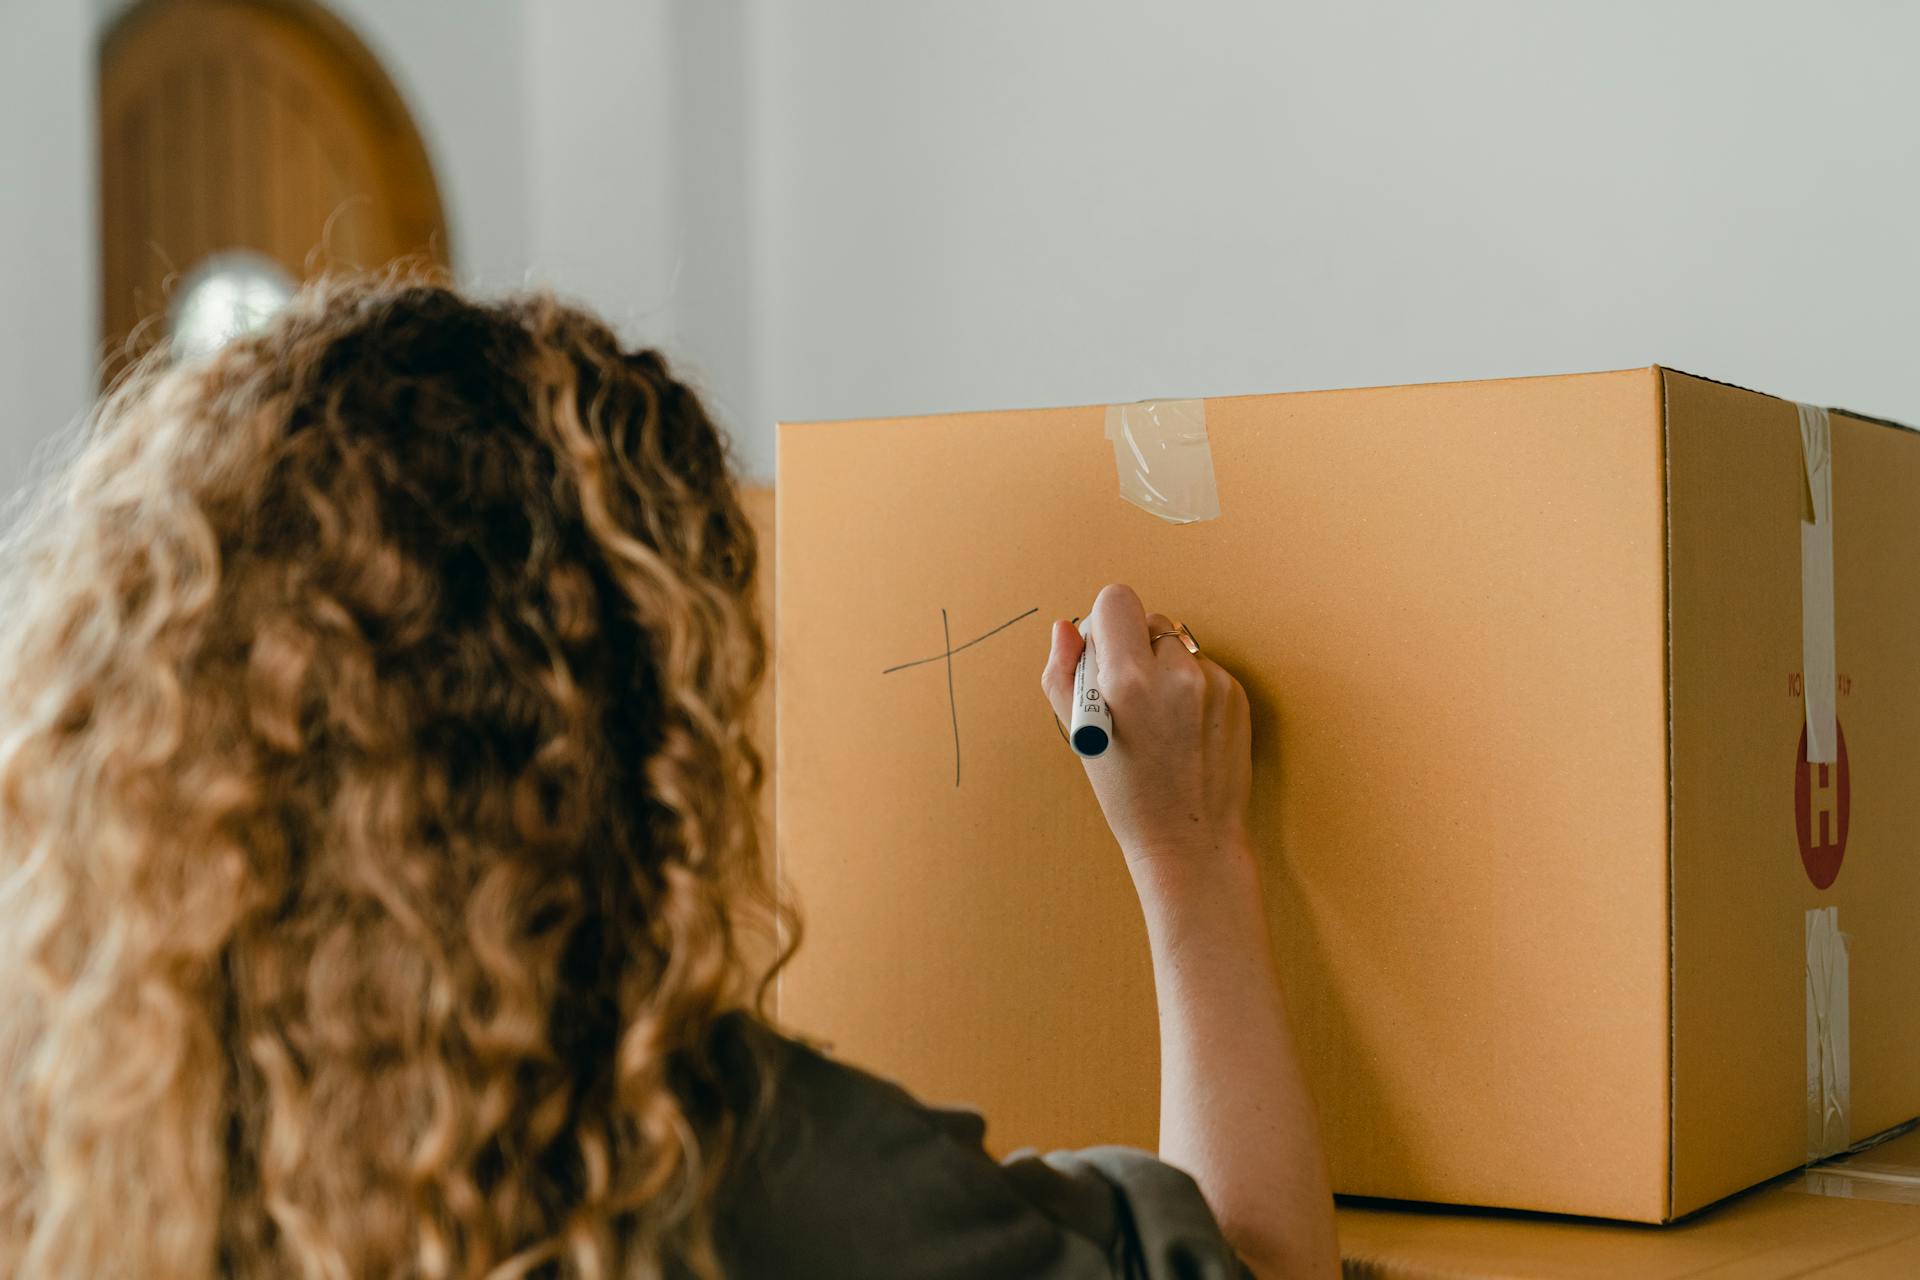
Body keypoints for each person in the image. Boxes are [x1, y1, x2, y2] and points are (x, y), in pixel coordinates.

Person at [0, 272, 1337, 1279]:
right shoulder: (710, 1161)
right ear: (620, 731)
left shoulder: (83, 1119)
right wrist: (1190, 856)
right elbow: (1253, 1267)